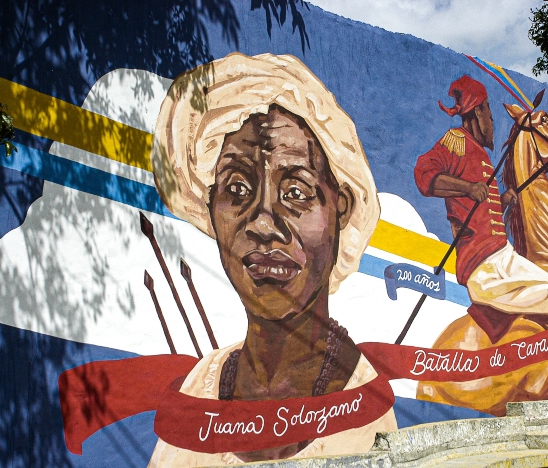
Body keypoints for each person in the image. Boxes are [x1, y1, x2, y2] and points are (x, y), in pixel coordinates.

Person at [148, 52, 397, 465]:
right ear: (210, 210)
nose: (263, 223)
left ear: (343, 209)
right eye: (236, 190)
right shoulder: (198, 389)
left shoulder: (363, 410)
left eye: (297, 192)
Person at [413, 75, 548, 342]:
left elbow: (481, 209)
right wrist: (468, 188)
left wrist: (502, 199)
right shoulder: (455, 141)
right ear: (478, 110)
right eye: (490, 113)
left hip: (503, 257)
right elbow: (424, 176)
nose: (493, 123)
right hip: (483, 266)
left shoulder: (481, 154)